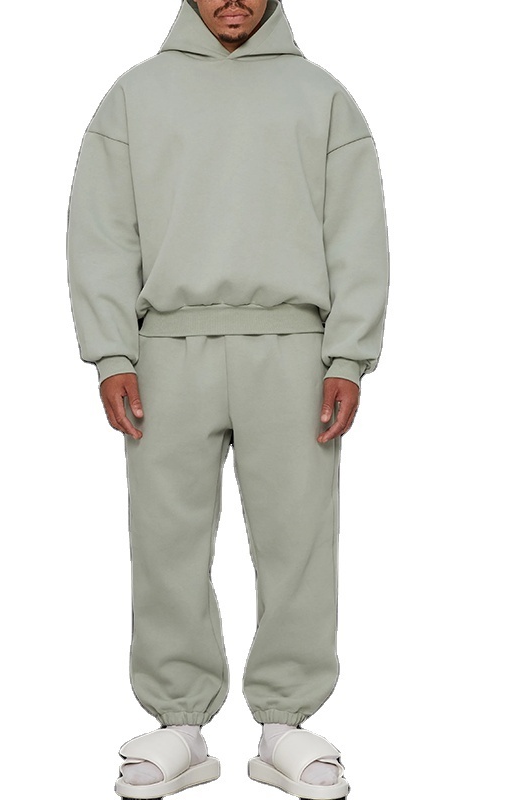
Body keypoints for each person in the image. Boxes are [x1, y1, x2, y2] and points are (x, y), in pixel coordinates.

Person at [66, 1, 390, 797]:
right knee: (165, 536)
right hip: (167, 347)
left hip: (295, 348)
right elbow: (102, 230)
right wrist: (112, 351)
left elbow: (357, 233)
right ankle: (180, 723)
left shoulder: (322, 98)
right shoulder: (135, 97)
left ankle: (286, 725)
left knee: (298, 536)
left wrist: (348, 356)